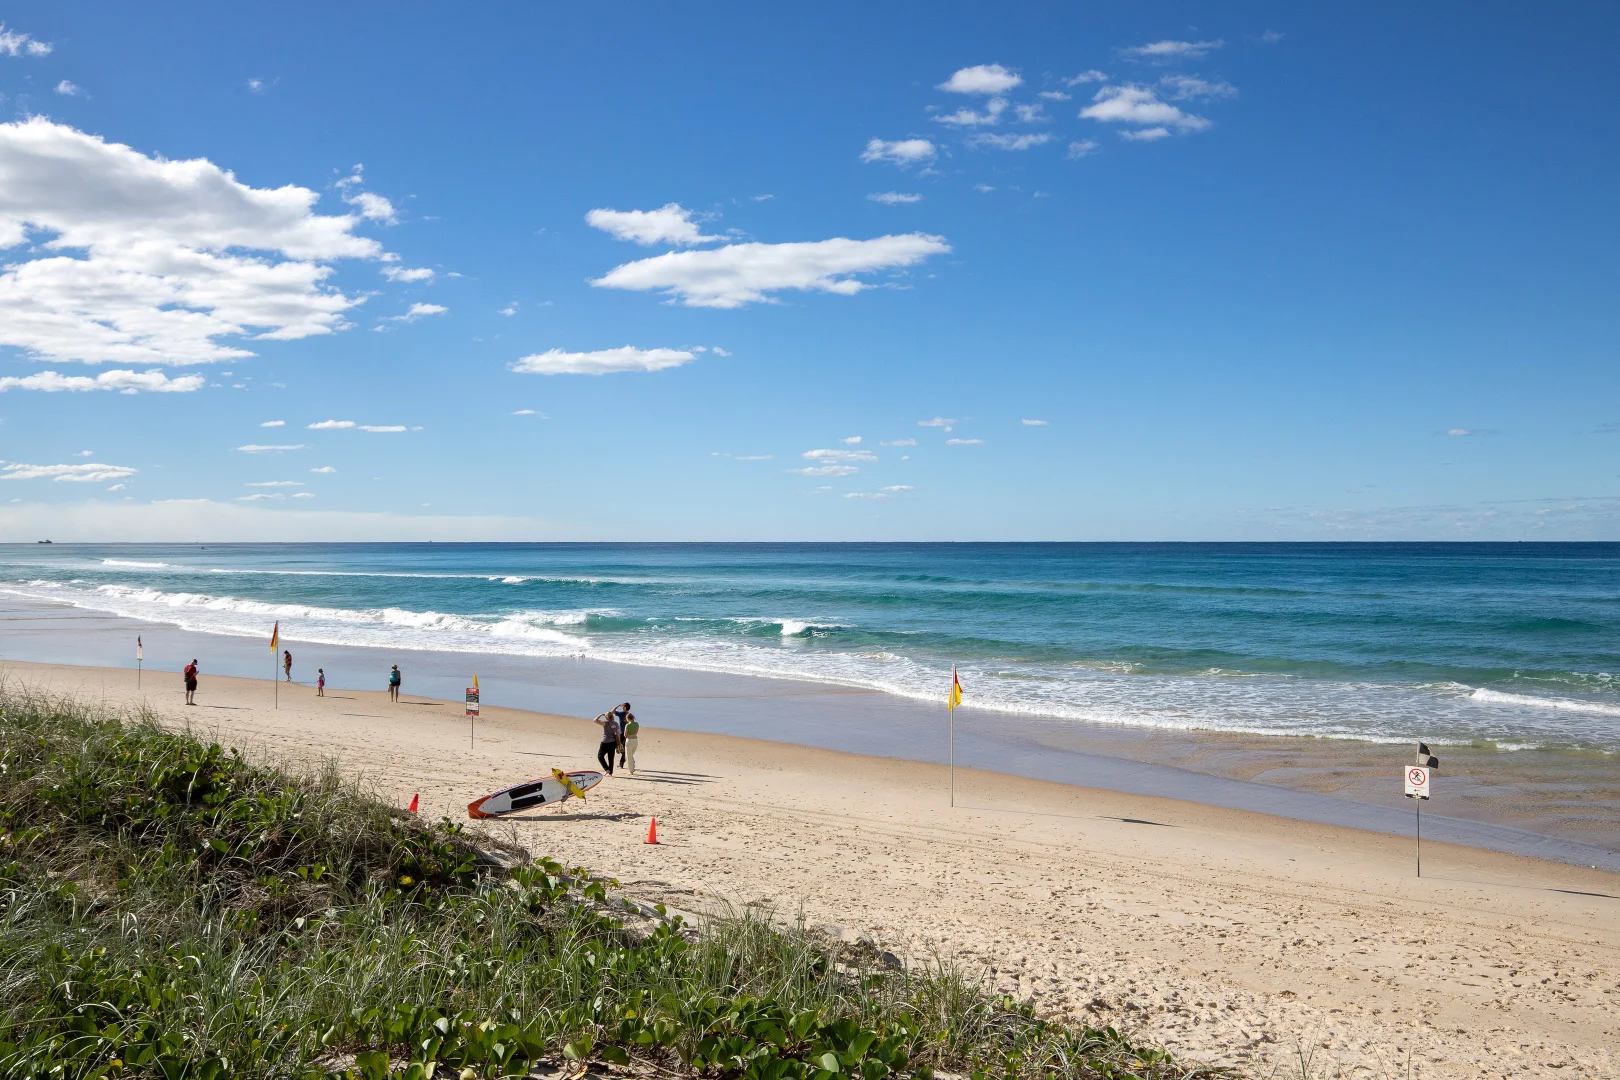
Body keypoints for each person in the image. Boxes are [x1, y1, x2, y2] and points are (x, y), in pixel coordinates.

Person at [593, 710, 620, 775]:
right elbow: (618, 733)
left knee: (600, 756)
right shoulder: (615, 723)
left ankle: (607, 769)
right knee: (611, 758)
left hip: (605, 742)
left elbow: (595, 720)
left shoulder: (605, 723)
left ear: (607, 717)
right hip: (613, 742)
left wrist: (601, 714)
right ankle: (610, 772)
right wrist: (618, 742)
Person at [621, 711, 639, 775]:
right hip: (635, 740)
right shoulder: (637, 724)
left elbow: (625, 735)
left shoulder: (627, 725)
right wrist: (633, 736)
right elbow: (636, 733)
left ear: (628, 718)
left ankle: (631, 770)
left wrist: (630, 736)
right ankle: (632, 767)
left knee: (628, 756)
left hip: (629, 741)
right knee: (631, 755)